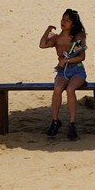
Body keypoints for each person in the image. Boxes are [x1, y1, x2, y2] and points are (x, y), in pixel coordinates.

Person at [40, 9, 86, 140]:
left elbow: (81, 57)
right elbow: (42, 45)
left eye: (67, 20)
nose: (64, 22)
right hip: (62, 71)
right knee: (57, 89)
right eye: (63, 19)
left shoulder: (77, 37)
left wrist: (66, 60)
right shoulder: (56, 38)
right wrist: (48, 30)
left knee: (70, 89)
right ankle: (55, 121)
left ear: (73, 24)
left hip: (77, 70)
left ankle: (72, 124)